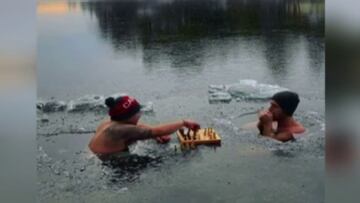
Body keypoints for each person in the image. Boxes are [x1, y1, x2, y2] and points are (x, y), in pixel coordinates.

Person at [88, 95, 200, 159]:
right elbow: (155, 131)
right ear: (128, 116)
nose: (139, 116)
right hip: (108, 161)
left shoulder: (108, 124)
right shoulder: (121, 130)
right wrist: (184, 123)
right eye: (138, 113)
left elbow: (139, 128)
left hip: (93, 156)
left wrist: (154, 137)